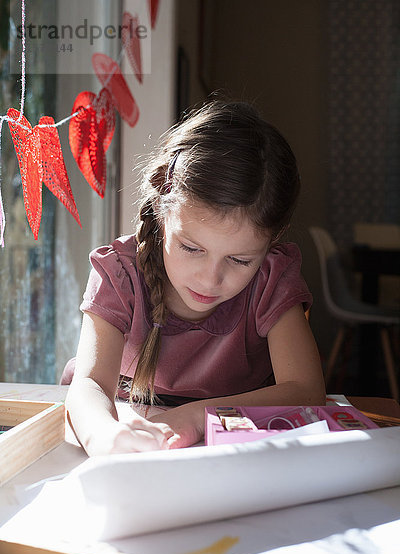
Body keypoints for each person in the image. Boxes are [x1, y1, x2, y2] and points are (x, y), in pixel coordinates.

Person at [64, 100, 326, 456]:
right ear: (161, 213)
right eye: (191, 248)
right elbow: (89, 384)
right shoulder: (120, 273)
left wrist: (195, 417)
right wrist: (103, 436)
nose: (210, 278)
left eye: (239, 259)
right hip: (126, 437)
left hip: (226, 453)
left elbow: (307, 391)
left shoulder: (271, 279)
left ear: (271, 243)